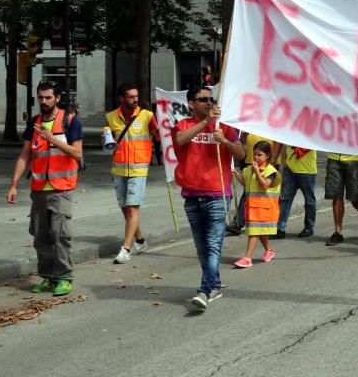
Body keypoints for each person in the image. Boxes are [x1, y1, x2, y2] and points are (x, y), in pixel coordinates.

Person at [6, 81, 84, 297]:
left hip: (62, 189)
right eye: (41, 97)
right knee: (41, 236)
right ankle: (47, 277)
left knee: (60, 234)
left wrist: (52, 139)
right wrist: (14, 184)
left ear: (57, 98)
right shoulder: (34, 123)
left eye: (48, 97)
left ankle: (64, 277)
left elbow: (77, 154)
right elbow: (25, 155)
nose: (44, 101)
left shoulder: (70, 121)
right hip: (39, 188)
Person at [172, 86, 245, 310]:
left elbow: (241, 155)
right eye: (202, 99)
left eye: (210, 99)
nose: (208, 102)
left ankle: (204, 290)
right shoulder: (183, 125)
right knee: (202, 248)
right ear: (191, 104)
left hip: (217, 194)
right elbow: (181, 141)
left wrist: (225, 141)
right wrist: (205, 123)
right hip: (192, 195)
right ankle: (214, 285)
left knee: (213, 246)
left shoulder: (225, 127)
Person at [105, 83, 160, 264]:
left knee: (132, 207)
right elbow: (107, 140)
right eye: (130, 96)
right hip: (119, 168)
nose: (135, 99)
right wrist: (107, 140)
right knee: (125, 207)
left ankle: (125, 249)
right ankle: (141, 241)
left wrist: (163, 129)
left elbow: (159, 137)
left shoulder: (147, 116)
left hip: (139, 168)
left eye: (136, 96)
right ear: (121, 98)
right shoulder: (111, 117)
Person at [231, 141, 279, 267]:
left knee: (254, 232)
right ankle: (269, 250)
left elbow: (264, 185)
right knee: (260, 231)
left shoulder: (270, 171)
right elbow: (248, 185)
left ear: (267, 156)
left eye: (260, 155)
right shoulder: (248, 170)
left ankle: (247, 258)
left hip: (264, 208)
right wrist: (237, 176)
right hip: (252, 207)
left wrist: (257, 171)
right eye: (255, 155)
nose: (256, 158)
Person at [324, 153, 358, 245]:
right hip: (334, 158)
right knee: (336, 195)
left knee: (355, 197)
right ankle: (338, 232)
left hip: (353, 158)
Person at [276, 144, 317, 240]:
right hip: (289, 169)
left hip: (307, 170)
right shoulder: (289, 129)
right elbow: (284, 142)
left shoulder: (311, 131)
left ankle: (309, 228)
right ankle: (279, 229)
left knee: (309, 201)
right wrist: (283, 159)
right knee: (284, 199)